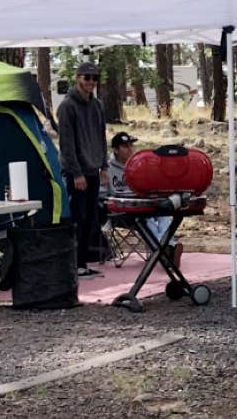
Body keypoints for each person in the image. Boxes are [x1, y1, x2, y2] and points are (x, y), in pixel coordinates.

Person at [55, 60, 108, 275]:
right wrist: (76, 173)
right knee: (79, 218)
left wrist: (104, 165)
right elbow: (66, 144)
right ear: (78, 78)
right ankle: (74, 264)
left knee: (91, 218)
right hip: (76, 172)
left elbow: (101, 137)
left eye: (94, 78)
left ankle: (84, 263)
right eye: (87, 78)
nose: (91, 82)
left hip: (93, 168)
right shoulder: (67, 107)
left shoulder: (97, 106)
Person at [106, 132, 175, 257]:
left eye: (131, 145)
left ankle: (165, 249)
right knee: (147, 220)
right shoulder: (107, 169)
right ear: (116, 150)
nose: (130, 149)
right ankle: (164, 251)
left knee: (165, 214)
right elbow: (103, 195)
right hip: (122, 211)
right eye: (125, 146)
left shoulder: (139, 165)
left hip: (144, 204)